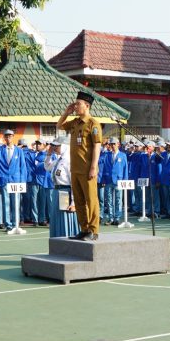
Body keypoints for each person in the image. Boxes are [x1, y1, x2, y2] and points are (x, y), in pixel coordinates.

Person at [57, 91, 102, 241]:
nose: (76, 106)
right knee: (79, 201)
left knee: (91, 200)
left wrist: (94, 167)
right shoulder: (75, 122)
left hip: (87, 168)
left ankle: (93, 230)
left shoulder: (93, 124)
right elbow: (59, 125)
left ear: (87, 105)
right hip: (75, 169)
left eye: (78, 104)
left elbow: (97, 146)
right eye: (75, 103)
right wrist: (66, 112)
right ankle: (84, 229)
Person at [45, 138, 80, 238]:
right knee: (57, 218)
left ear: (65, 146)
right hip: (57, 192)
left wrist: (73, 202)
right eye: (54, 146)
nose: (55, 148)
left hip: (66, 192)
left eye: (57, 146)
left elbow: (74, 183)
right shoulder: (59, 160)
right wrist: (48, 155)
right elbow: (47, 167)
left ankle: (67, 241)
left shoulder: (70, 160)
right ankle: (57, 241)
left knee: (65, 218)